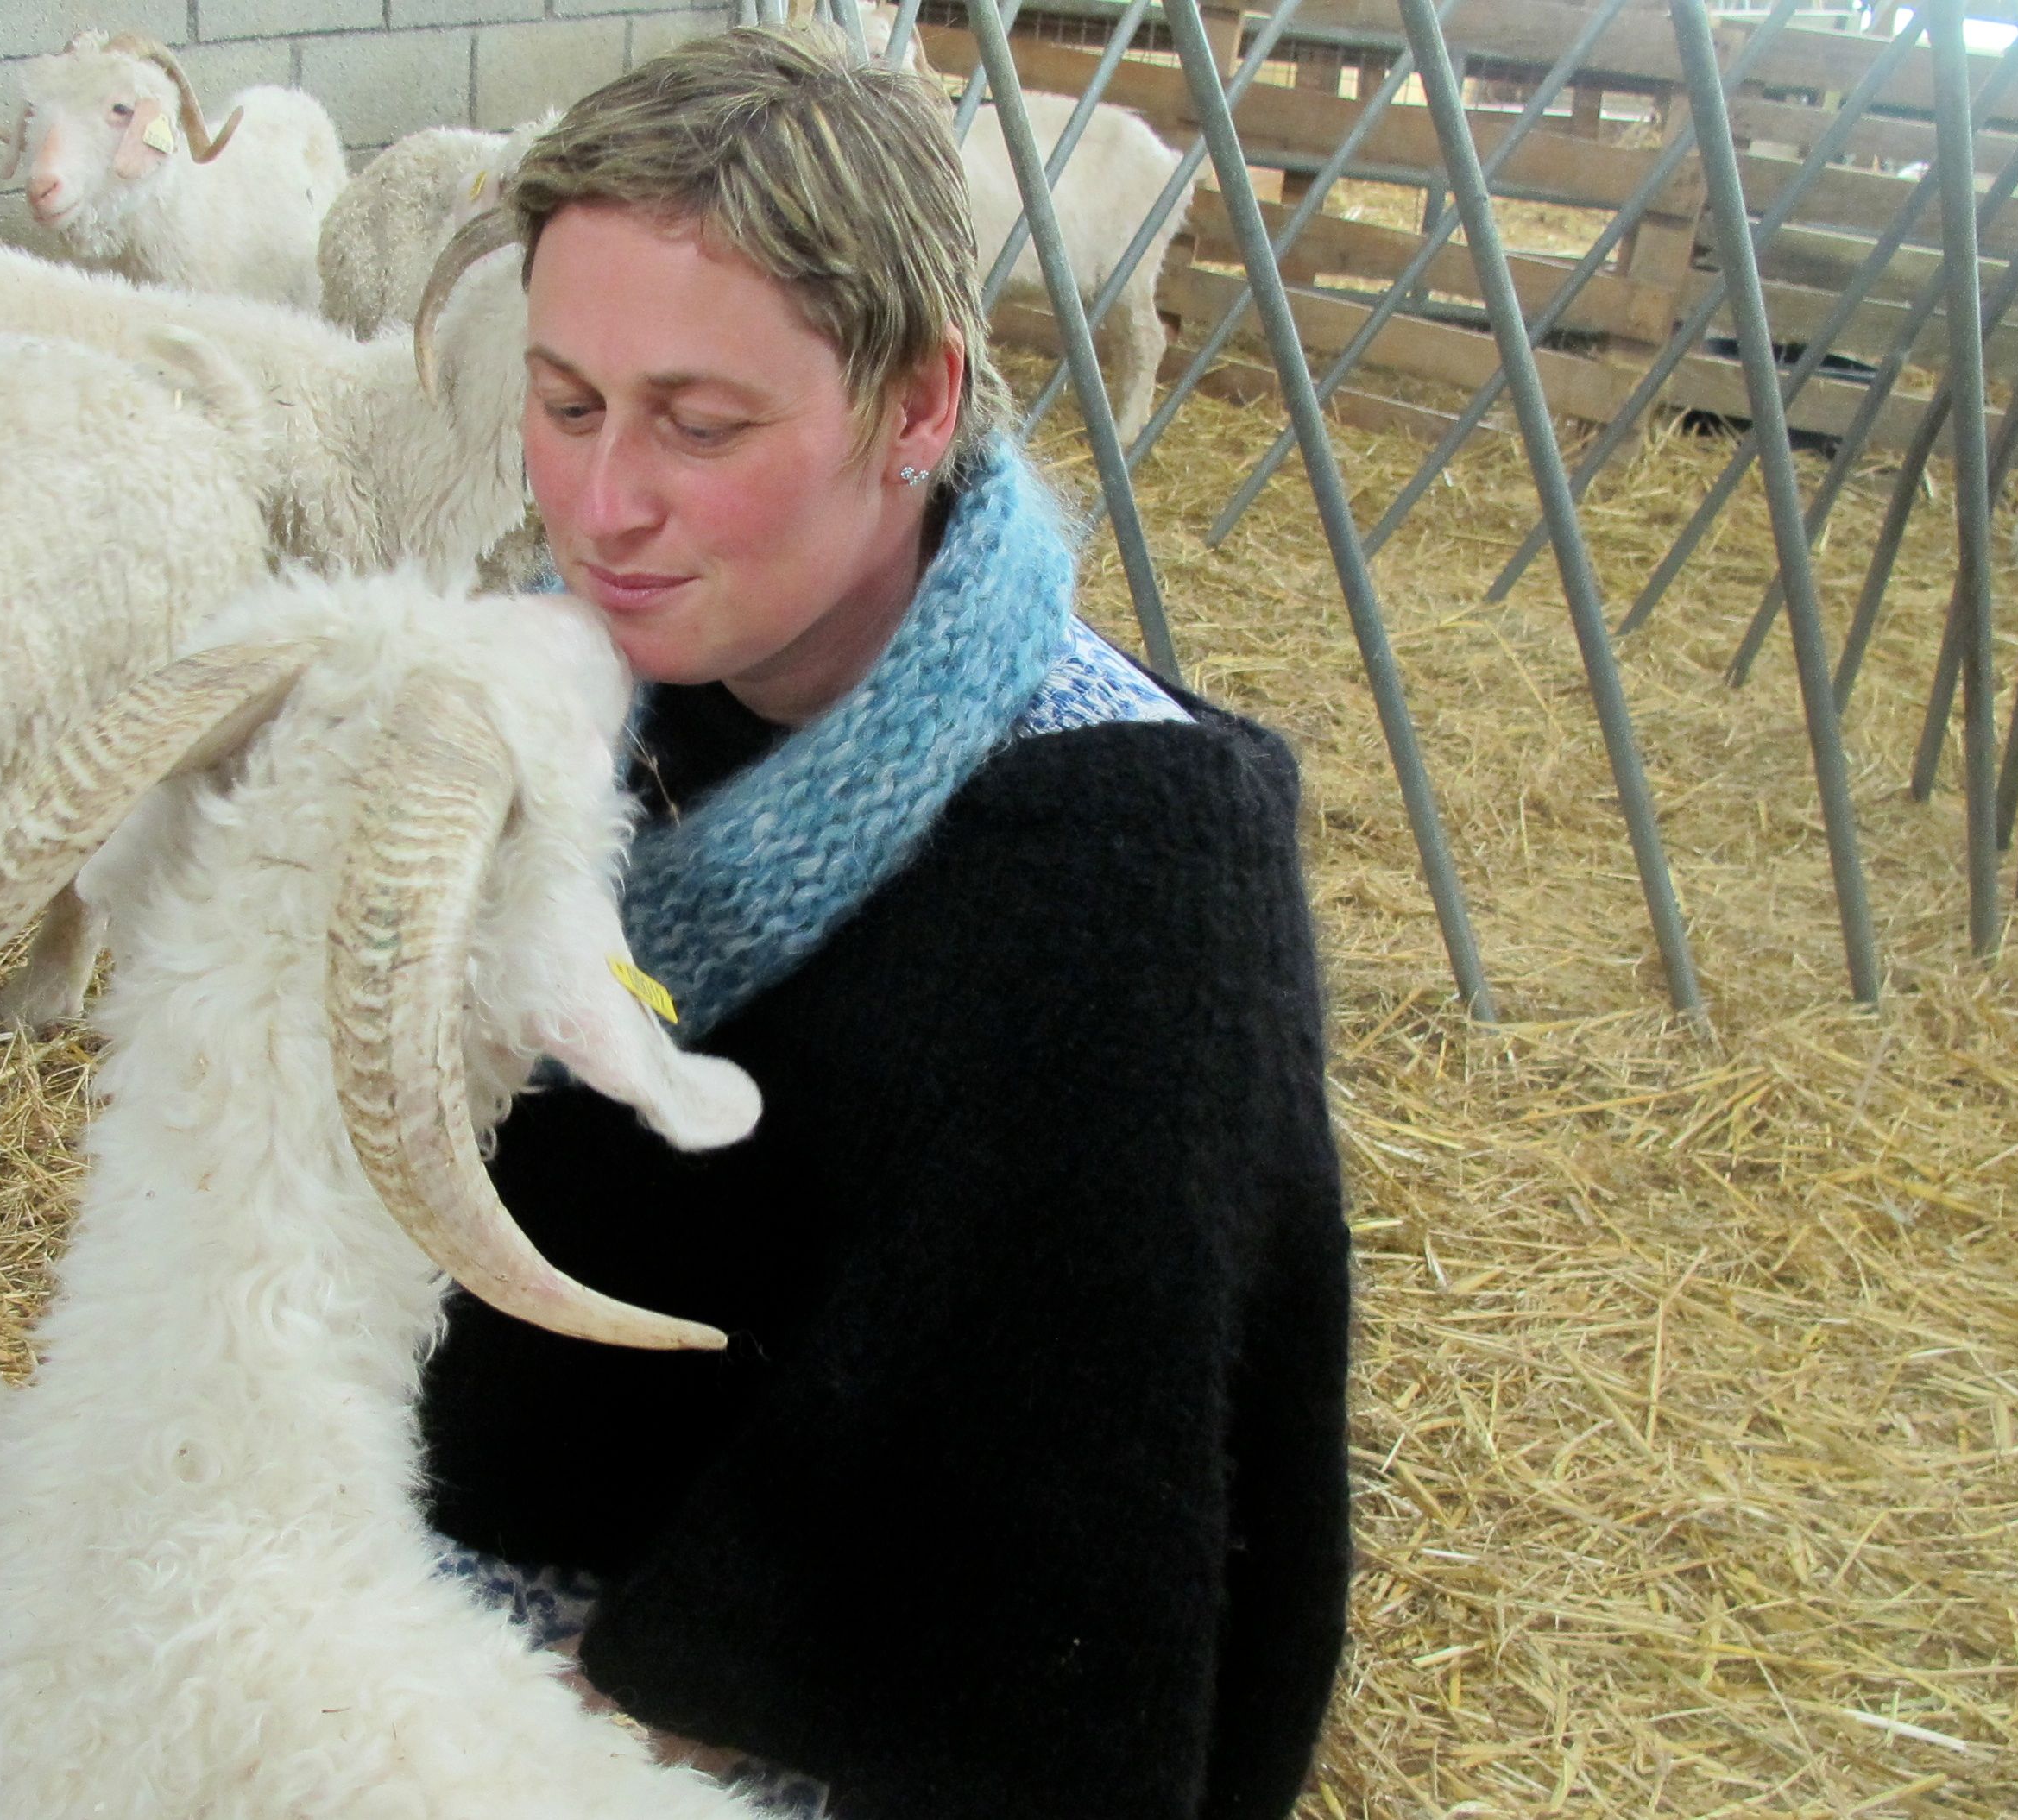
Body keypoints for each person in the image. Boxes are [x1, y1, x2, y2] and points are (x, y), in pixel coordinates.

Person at [413, 26, 1352, 1820]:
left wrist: (562, 1715)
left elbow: (1059, 1464)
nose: (605, 505)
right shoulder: (532, 712)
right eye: (565, 400)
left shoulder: (1124, 859)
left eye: (701, 423)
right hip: (474, 1543)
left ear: (916, 405)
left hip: (804, 1699)